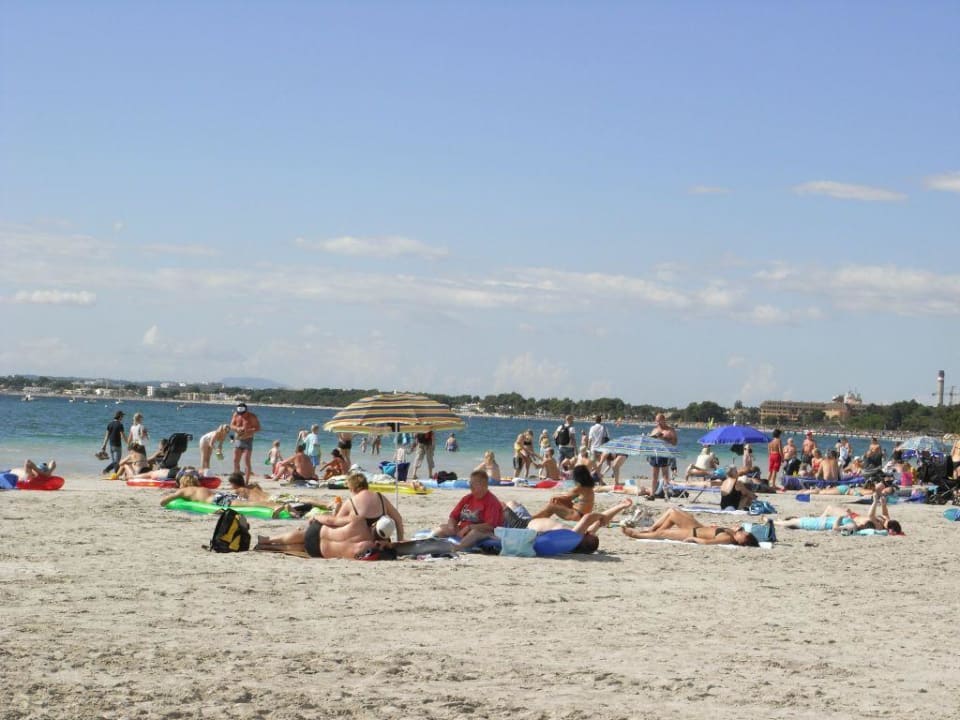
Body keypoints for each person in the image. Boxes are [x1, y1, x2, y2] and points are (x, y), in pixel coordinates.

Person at [502, 497, 635, 554]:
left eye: (591, 534)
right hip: (527, 521)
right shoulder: (575, 540)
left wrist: (601, 516)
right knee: (513, 504)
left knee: (503, 505)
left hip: (522, 527)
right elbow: (598, 524)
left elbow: (590, 518)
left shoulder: (574, 536)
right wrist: (621, 506)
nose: (590, 531)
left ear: (586, 538)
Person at [254, 513, 392, 560]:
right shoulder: (368, 547)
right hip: (319, 551)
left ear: (375, 524)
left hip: (320, 532)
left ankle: (268, 540)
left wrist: (316, 517)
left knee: (303, 534)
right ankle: (268, 547)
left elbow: (331, 520)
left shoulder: (359, 521)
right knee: (302, 547)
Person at [159, 472, 290, 517]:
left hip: (217, 500)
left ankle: (274, 507)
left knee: (248, 505)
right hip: (220, 495)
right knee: (247, 503)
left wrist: (170, 499)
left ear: (183, 483)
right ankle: (277, 505)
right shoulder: (200, 488)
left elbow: (163, 502)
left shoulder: (183, 491)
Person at [432, 470, 503, 550]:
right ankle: (430, 541)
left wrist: (469, 527)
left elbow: (490, 526)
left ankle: (458, 547)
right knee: (443, 528)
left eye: (474, 484)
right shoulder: (467, 498)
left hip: (484, 532)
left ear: (484, 485)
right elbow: (454, 516)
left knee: (475, 533)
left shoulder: (492, 502)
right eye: (471, 483)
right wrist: (451, 526)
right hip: (463, 530)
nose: (471, 486)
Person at [621, 507, 760, 546]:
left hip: (692, 533)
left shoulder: (727, 539)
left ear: (743, 541)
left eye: (744, 533)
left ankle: (635, 534)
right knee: (672, 512)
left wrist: (693, 540)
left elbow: (706, 542)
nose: (742, 531)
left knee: (662, 534)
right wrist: (736, 529)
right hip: (698, 526)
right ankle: (651, 529)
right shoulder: (732, 533)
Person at [777, 491, 902, 534]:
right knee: (830, 508)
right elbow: (885, 513)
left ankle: (818, 519)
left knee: (830, 508)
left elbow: (870, 516)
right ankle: (818, 518)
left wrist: (875, 502)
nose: (887, 519)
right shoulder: (885, 520)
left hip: (851, 519)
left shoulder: (879, 525)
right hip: (854, 516)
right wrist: (884, 504)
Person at [335, 472, 405, 541]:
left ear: (352, 488)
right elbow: (398, 518)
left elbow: (335, 524)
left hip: (362, 546)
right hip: (382, 545)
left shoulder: (351, 502)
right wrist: (400, 541)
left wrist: (337, 509)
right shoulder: (380, 497)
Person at [531, 465, 595, 521]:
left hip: (576, 515)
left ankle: (532, 519)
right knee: (557, 501)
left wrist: (554, 497)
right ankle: (539, 518)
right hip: (582, 516)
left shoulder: (580, 488)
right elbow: (568, 498)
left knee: (552, 506)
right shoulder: (589, 488)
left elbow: (566, 496)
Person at [230, 402, 262, 483]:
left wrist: (248, 431)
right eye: (240, 413)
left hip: (248, 440)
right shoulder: (236, 415)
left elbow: (258, 428)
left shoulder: (252, 416)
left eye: (243, 413)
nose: (241, 415)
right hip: (238, 440)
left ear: (246, 411)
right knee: (235, 460)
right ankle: (236, 480)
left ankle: (246, 482)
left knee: (246, 461)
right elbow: (231, 425)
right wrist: (237, 428)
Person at [648, 413, 678, 495]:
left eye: (659, 420)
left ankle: (667, 494)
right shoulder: (654, 430)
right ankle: (652, 494)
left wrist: (664, 438)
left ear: (664, 420)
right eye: (656, 421)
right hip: (655, 454)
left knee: (665, 475)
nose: (658, 423)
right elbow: (650, 443)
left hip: (665, 453)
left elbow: (675, 442)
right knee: (654, 476)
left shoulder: (670, 430)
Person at [100, 410, 126, 475]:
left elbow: (107, 436)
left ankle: (116, 474)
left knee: (115, 461)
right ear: (120, 416)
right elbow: (123, 436)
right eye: (122, 416)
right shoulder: (120, 425)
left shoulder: (110, 424)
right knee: (116, 462)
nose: (122, 418)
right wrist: (128, 443)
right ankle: (106, 470)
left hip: (111, 446)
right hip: (117, 446)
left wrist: (104, 445)